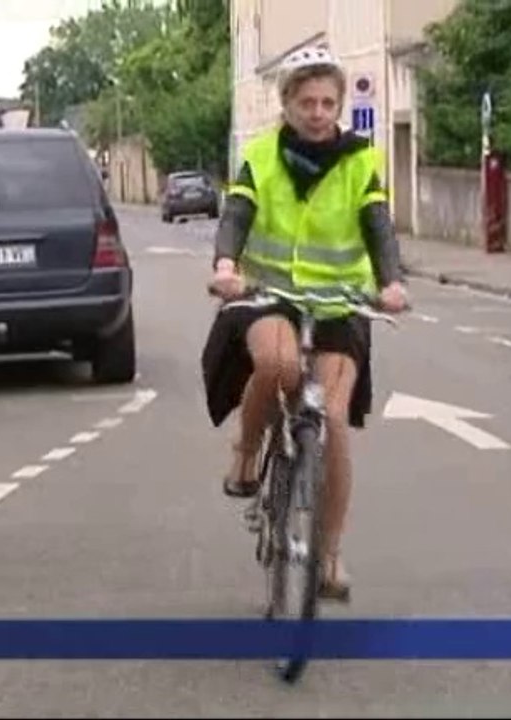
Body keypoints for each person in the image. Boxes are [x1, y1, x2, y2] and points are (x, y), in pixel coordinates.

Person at [200, 45, 408, 602]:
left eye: (327, 103)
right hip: (269, 294)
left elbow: (379, 226)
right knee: (278, 364)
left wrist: (391, 282)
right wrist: (226, 266)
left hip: (338, 303)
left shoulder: (360, 162)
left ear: (339, 106)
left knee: (333, 420)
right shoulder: (261, 156)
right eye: (307, 103)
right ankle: (246, 453)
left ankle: (329, 555)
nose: (318, 113)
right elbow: (237, 214)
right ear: (287, 104)